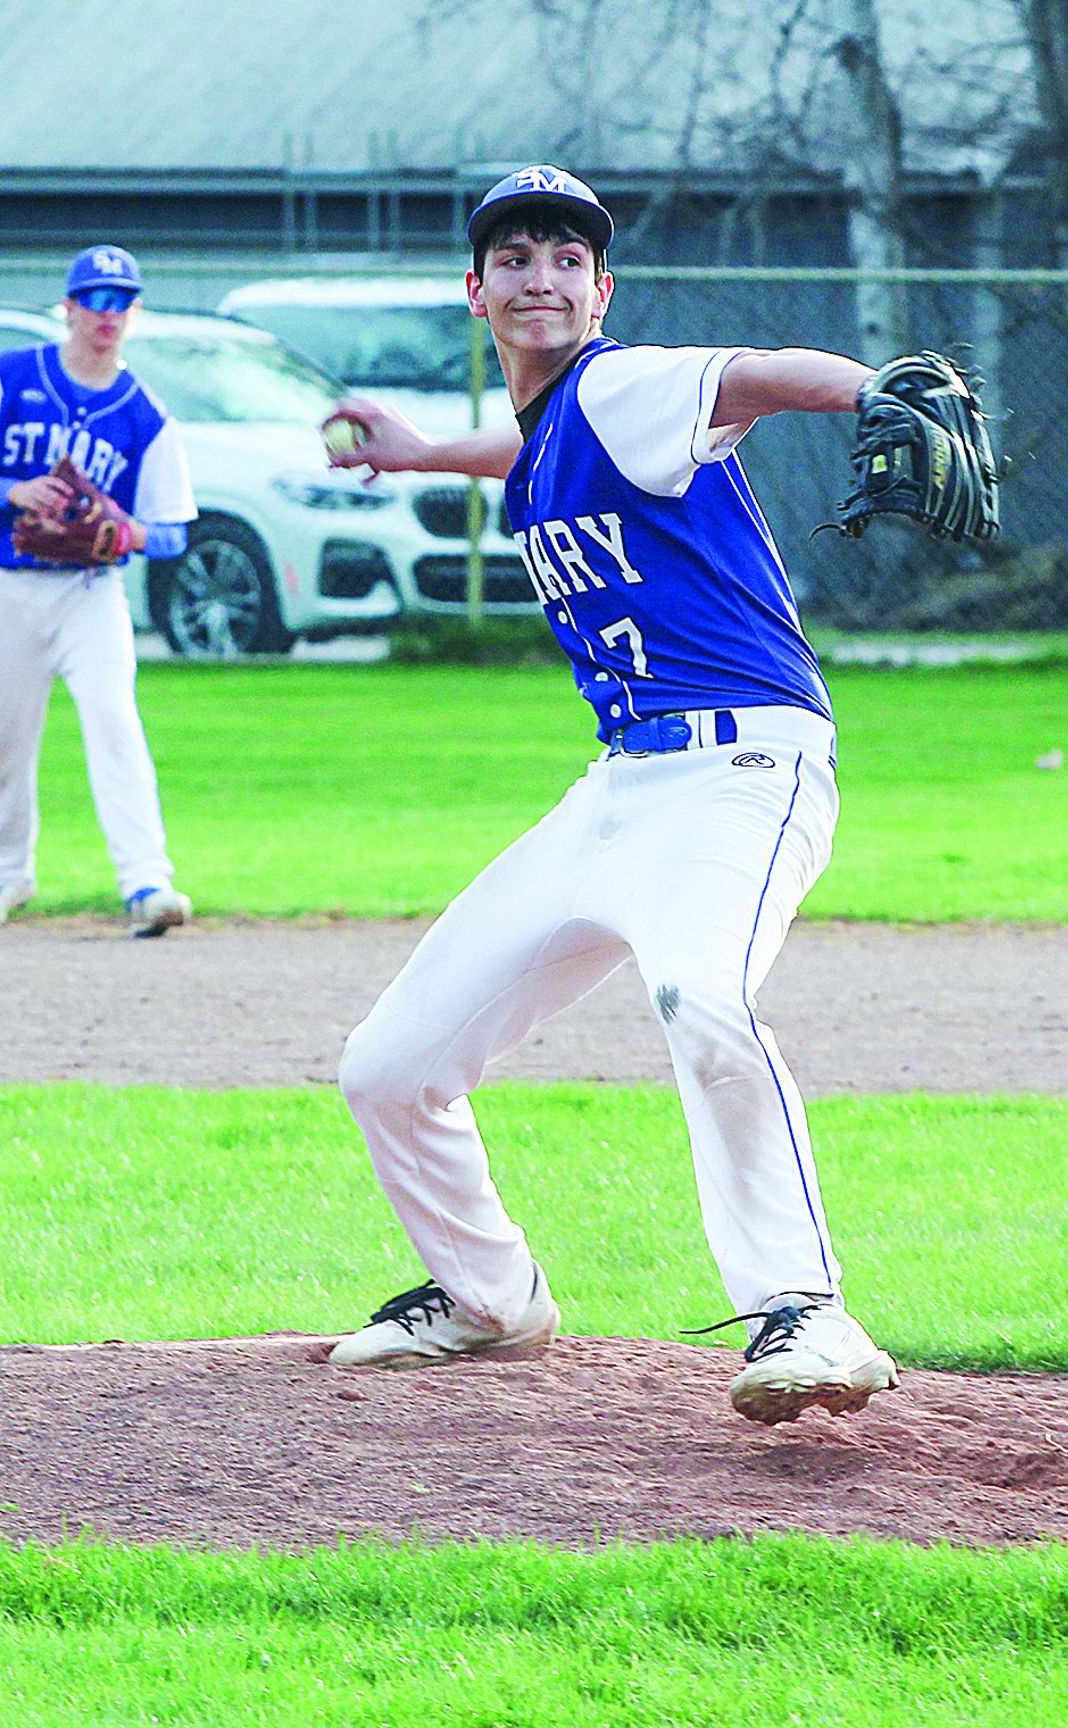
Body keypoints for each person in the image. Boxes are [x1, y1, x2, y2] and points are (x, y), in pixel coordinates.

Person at [323, 165, 900, 1426]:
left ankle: (807, 1312)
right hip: (623, 785)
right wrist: (424, 452)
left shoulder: (626, 385)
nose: (542, 275)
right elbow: (526, 445)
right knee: (390, 1065)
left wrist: (873, 391)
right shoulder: (560, 425)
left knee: (701, 995)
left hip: (744, 770)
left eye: (567, 258)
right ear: (475, 289)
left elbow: (751, 375)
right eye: (515, 257)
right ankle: (489, 1299)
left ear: (601, 291)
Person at [0, 244, 196, 937]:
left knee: (115, 721)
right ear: (69, 307)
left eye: (121, 302)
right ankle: (4, 874)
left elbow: (174, 532)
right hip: (3, 586)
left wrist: (127, 534)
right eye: (95, 299)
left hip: (89, 592)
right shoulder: (9, 376)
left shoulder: (145, 414)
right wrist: (14, 490)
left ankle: (148, 882)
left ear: (135, 313)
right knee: (0, 737)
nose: (107, 314)